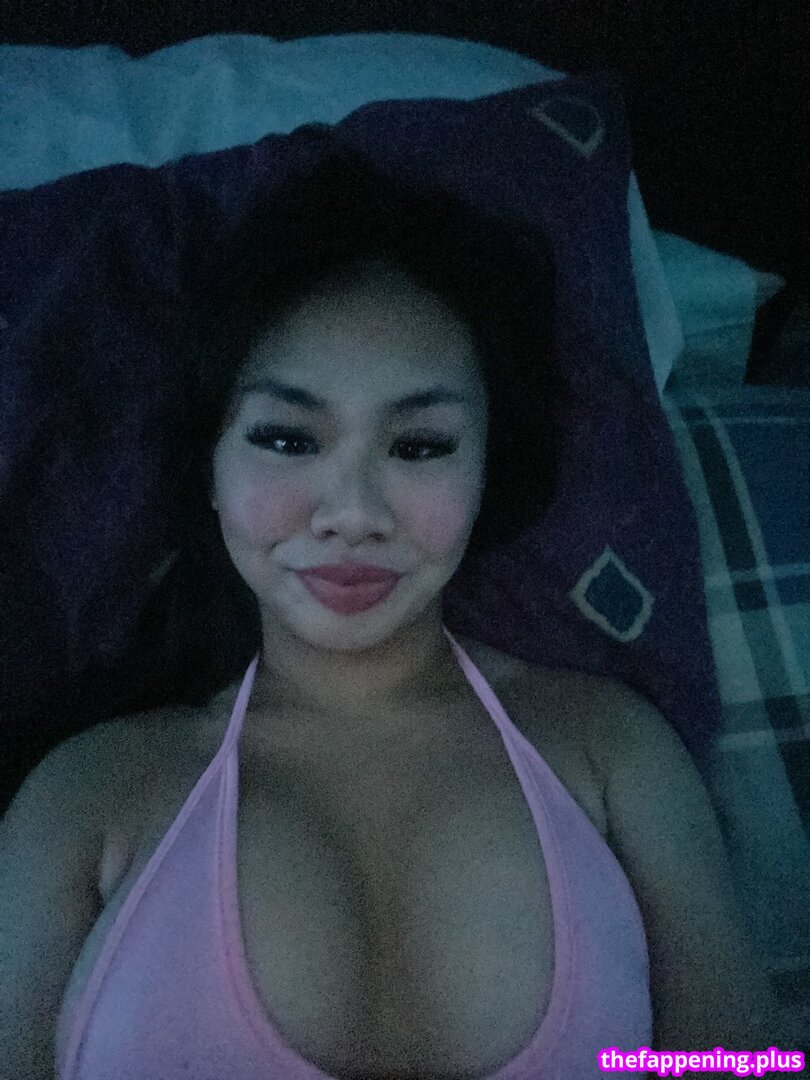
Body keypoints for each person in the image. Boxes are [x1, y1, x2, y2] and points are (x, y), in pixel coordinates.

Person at [2, 153, 788, 1080]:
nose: (353, 512)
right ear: (208, 468)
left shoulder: (612, 753)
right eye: (286, 438)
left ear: (487, 470)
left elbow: (739, 1065)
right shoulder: (86, 796)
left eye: (418, 445)